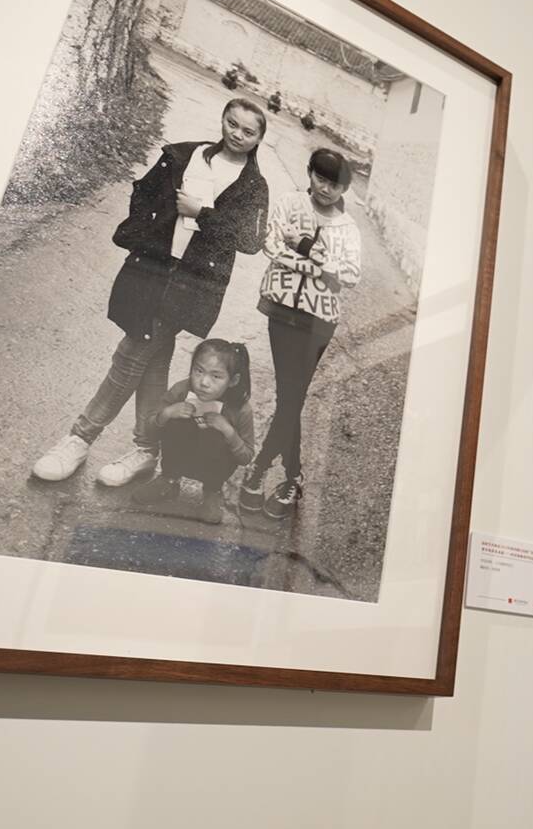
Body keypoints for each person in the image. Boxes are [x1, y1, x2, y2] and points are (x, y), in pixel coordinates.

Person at [31, 99, 271, 485]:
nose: (237, 134)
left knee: (130, 355)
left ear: (259, 139)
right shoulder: (187, 155)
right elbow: (143, 192)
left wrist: (201, 213)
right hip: (154, 267)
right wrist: (146, 233)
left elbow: (250, 240)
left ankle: (80, 437)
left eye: (248, 131)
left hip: (192, 283)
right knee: (153, 360)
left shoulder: (254, 186)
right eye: (232, 123)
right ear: (223, 120)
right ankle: (146, 449)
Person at [239, 148, 363, 519]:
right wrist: (320, 268)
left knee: (291, 397)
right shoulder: (290, 204)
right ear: (309, 172)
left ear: (344, 189)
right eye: (320, 178)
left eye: (335, 184)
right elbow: (272, 245)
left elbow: (350, 275)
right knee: (289, 397)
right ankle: (292, 475)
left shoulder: (348, 229)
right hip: (282, 309)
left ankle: (263, 466)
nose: (325, 188)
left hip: (319, 321)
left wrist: (306, 248)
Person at [131, 338, 256, 524]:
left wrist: (229, 431)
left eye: (216, 376)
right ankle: (169, 480)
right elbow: (149, 431)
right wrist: (167, 413)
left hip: (215, 465)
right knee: (176, 421)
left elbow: (246, 457)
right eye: (199, 371)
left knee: (218, 435)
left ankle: (212, 491)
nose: (204, 382)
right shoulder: (181, 391)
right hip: (180, 454)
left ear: (233, 380)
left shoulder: (241, 409)